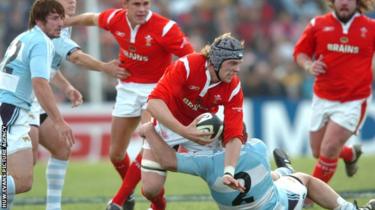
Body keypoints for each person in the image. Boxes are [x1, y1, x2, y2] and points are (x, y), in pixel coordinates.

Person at [64, 0, 194, 209]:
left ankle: (121, 200)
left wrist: (177, 87)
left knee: (147, 144)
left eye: (146, 4)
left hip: (156, 90)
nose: (142, 9)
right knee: (116, 154)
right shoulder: (114, 18)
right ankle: (150, 199)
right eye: (136, 4)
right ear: (125, 5)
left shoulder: (166, 28)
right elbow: (91, 18)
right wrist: (67, 21)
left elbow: (192, 60)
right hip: (127, 89)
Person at [139, 121, 375, 210]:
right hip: (277, 205)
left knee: (275, 181)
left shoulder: (207, 164)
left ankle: (285, 172)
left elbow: (167, 160)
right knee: (305, 180)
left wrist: (149, 131)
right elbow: (259, 172)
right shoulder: (257, 147)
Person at [27, 0, 126, 210]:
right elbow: (77, 58)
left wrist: (66, 87)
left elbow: (48, 67)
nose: (72, 0)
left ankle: (53, 207)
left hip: (33, 102)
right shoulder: (51, 27)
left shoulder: (57, 25)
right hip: (18, 101)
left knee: (62, 147)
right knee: (22, 171)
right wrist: (104, 67)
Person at [139, 33, 246, 210]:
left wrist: (229, 171)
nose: (237, 69)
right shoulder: (187, 65)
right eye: (232, 63)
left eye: (239, 64)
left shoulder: (234, 85)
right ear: (216, 61)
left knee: (238, 171)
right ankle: (158, 205)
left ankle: (282, 178)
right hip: (169, 123)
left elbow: (234, 133)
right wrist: (184, 131)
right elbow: (153, 102)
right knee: (151, 189)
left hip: (203, 130)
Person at [0, 0, 74, 209]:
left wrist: (67, 87)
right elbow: (40, 83)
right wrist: (59, 122)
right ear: (40, 21)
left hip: (12, 110)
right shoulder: (41, 42)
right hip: (9, 112)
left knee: (13, 179)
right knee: (22, 181)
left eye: (61, 18)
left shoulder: (26, 37)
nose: (60, 23)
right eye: (54, 18)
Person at [294, 0, 375, 189]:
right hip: (322, 97)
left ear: (357, 2)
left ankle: (306, 196)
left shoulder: (370, 28)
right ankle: (349, 154)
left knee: (329, 148)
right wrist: (309, 65)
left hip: (354, 100)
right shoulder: (318, 24)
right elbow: (300, 52)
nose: (344, 2)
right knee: (317, 151)